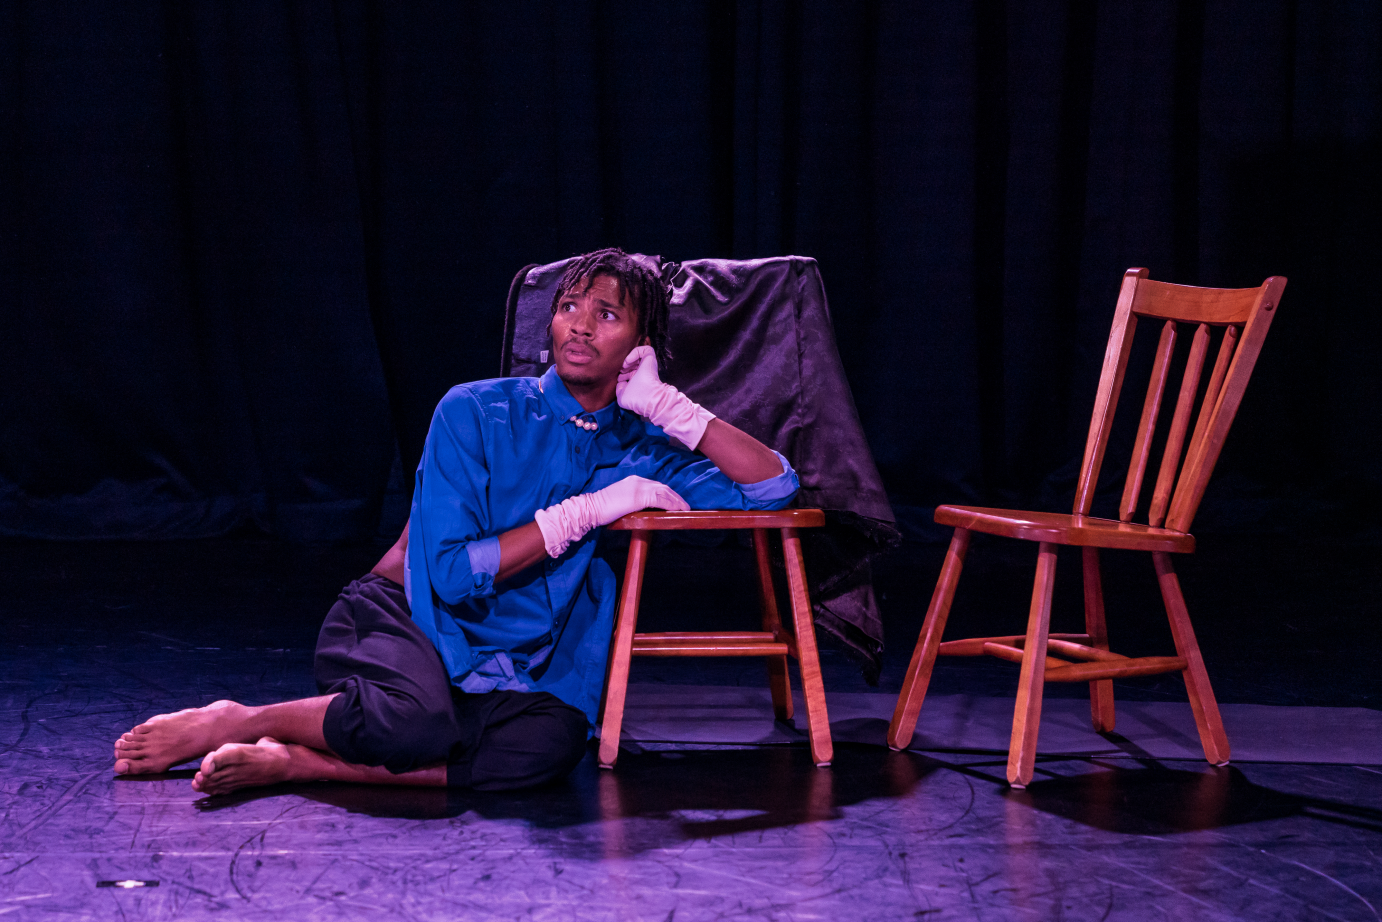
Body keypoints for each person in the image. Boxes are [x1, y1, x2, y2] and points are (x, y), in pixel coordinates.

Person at [111, 248, 799, 795]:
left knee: (547, 750)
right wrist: (585, 512)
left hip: (507, 662)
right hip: (402, 618)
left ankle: (301, 764)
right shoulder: (475, 411)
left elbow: (774, 487)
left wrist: (672, 409)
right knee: (418, 720)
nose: (580, 325)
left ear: (642, 346)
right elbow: (446, 573)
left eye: (608, 314)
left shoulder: (640, 449)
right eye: (568, 306)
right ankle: (241, 720)